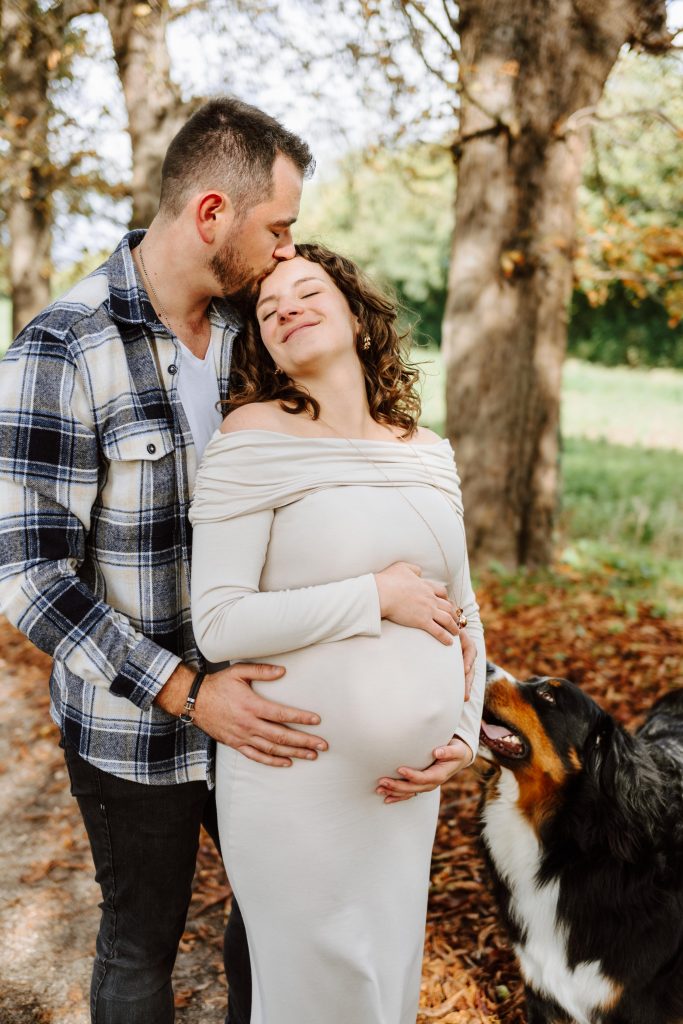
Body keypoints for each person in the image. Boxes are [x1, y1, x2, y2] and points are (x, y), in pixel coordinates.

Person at [0, 99, 476, 1023]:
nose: (287, 252)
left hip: (276, 718)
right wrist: (187, 688)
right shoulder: (62, 348)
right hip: (136, 725)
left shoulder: (248, 337)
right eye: (279, 227)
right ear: (213, 214)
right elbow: (30, 578)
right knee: (140, 942)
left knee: (274, 927)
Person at [190, 243, 486, 1024]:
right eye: (267, 307)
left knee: (383, 990)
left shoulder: (427, 451)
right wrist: (374, 596)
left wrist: (462, 731)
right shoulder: (251, 435)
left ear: (356, 316)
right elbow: (219, 623)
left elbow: (465, 606)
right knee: (316, 996)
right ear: (264, 345)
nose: (285, 307)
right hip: (295, 780)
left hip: (403, 795)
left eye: (306, 291)